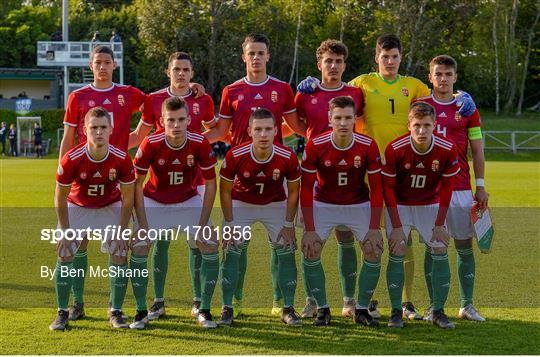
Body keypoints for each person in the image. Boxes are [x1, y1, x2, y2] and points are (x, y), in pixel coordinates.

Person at [297, 33, 477, 320]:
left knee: (395, 237)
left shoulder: (413, 85)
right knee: (360, 238)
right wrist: (312, 84)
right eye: (385, 57)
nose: (390, 62)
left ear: (401, 59)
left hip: (402, 172)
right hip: (362, 170)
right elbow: (334, 90)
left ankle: (403, 303)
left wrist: (460, 96)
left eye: (395, 57)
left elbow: (438, 95)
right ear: (376, 58)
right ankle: (339, 299)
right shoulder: (362, 84)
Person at [204, 33, 305, 317]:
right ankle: (232, 302)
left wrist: (328, 137)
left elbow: (296, 126)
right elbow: (222, 132)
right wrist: (192, 141)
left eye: (261, 53)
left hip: (275, 175)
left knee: (281, 244)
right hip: (240, 176)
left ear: (268, 56)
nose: (256, 58)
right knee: (236, 245)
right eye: (252, 53)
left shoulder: (282, 89)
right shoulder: (231, 91)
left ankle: (280, 302)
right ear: (244, 56)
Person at [59, 45, 145, 321]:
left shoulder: (127, 93)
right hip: (81, 183)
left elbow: (156, 106)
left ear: (114, 65)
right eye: (98, 62)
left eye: (107, 62)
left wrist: (187, 87)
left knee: (118, 247)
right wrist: (64, 169)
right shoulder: (78, 96)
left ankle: (114, 308)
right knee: (77, 245)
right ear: (91, 65)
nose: (103, 66)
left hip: (116, 179)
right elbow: (69, 136)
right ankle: (76, 304)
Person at [129, 51, 216, 320]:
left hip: (194, 181)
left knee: (198, 241)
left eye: (186, 70)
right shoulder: (153, 100)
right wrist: (105, 147)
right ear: (168, 71)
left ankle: (199, 301)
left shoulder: (203, 99)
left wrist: (193, 145)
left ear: (192, 73)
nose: (181, 74)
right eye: (176, 69)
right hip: (159, 182)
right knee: (160, 242)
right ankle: (157, 301)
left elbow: (216, 130)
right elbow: (139, 136)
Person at [294, 39, 365, 319]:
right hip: (316, 176)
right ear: (319, 64)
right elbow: (293, 122)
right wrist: (313, 138)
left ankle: (349, 300)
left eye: (338, 61)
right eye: (328, 61)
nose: (333, 66)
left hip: (351, 177)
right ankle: (312, 300)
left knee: (346, 237)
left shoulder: (357, 93)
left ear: (344, 65)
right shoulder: (305, 93)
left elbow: (362, 122)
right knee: (311, 241)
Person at [49, 107, 135, 331]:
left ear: (111, 130)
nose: (98, 132)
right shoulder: (72, 159)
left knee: (120, 251)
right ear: (85, 131)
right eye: (93, 127)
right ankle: (64, 311)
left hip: (110, 206)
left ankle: (115, 310)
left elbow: (128, 199)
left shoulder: (122, 158)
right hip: (78, 206)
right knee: (65, 251)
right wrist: (66, 233)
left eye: (103, 127)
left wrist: (121, 231)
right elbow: (59, 197)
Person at [300, 96, 383, 327]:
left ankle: (362, 309)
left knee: (374, 250)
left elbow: (377, 189)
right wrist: (309, 229)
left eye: (348, 118)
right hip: (324, 204)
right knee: (310, 249)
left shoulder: (368, 145)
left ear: (355, 119)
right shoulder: (315, 144)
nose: (343, 123)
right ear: (329, 119)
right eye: (338, 118)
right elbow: (306, 188)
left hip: (358, 204)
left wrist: (375, 228)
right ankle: (323, 308)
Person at [417, 55, 488, 322]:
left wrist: (480, 186)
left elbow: (478, 149)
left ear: (455, 77)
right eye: (438, 74)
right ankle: (433, 306)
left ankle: (467, 305)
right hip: (430, 189)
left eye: (448, 74)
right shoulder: (420, 106)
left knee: (463, 244)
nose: (443, 79)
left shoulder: (468, 108)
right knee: (432, 245)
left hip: (460, 187)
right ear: (430, 76)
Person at [218, 108, 302, 326]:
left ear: (276, 130)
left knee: (285, 247)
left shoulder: (288, 156)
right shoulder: (235, 155)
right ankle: (229, 305)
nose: (263, 135)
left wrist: (288, 224)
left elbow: (294, 191)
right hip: (242, 203)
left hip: (274, 203)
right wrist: (228, 223)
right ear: (249, 131)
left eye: (267, 129)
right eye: (258, 130)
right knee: (232, 247)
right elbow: (225, 190)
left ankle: (286, 306)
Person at [382, 101, 459, 329]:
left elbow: (447, 188)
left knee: (440, 249)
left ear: (435, 125)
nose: (422, 131)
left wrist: (439, 223)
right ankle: (396, 311)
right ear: (409, 125)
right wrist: (396, 226)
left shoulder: (446, 148)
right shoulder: (396, 148)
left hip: (429, 206)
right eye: (417, 125)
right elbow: (387, 189)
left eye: (426, 125)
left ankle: (438, 311)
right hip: (401, 206)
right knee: (397, 250)